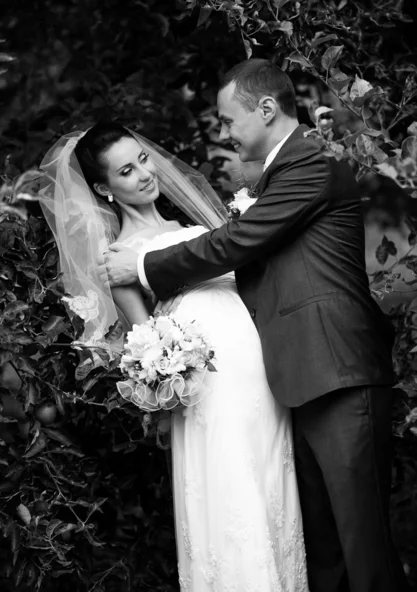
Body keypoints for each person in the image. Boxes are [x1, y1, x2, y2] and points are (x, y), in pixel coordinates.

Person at [104, 59, 409, 592]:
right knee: (327, 556)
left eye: (227, 121)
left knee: (365, 554)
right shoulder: (276, 175)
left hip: (337, 373)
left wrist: (146, 266)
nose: (224, 133)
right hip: (295, 384)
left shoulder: (311, 159)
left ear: (266, 109)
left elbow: (238, 243)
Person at [39, 121, 309, 592]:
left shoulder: (202, 229)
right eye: (126, 171)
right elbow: (142, 338)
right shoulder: (119, 257)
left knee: (271, 483)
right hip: (207, 389)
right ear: (104, 188)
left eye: (143, 159)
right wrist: (164, 376)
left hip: (258, 374)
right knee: (231, 493)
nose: (145, 173)